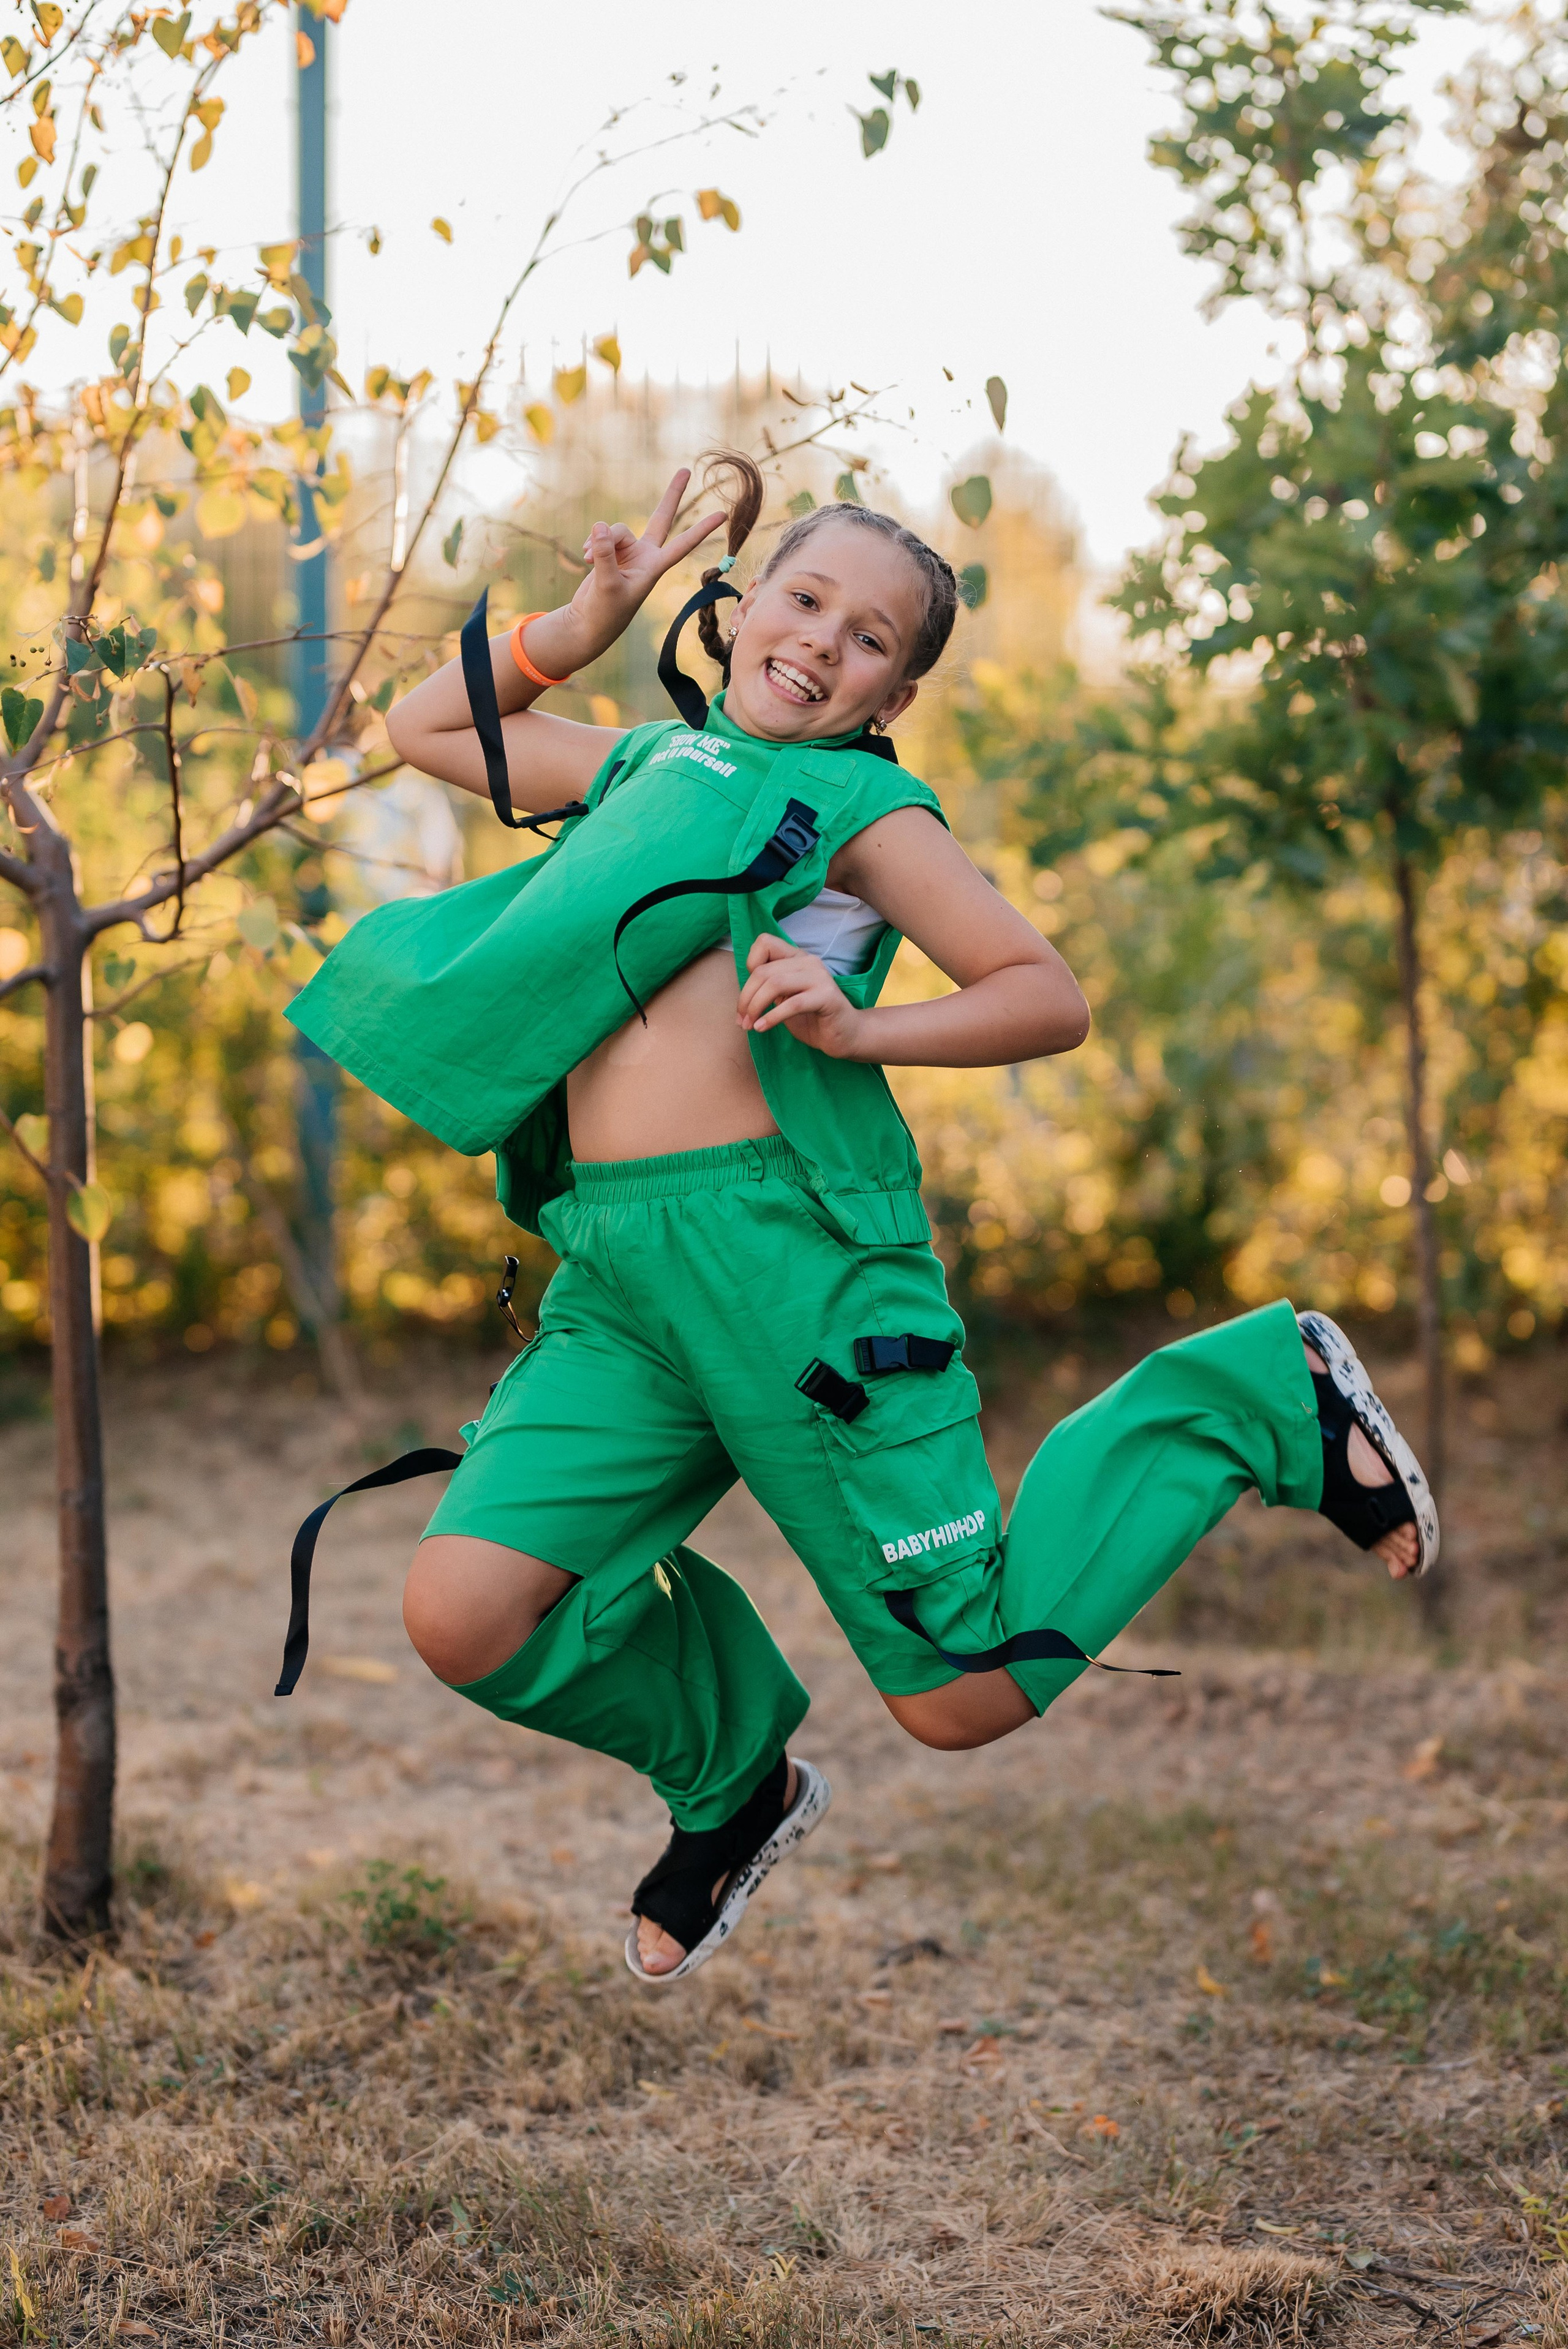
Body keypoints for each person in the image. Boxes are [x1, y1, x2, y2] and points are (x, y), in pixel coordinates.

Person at [283, 454, 1438, 1986]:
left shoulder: (859, 808)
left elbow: (1045, 994)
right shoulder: (642, 769)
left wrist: (854, 1027)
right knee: (464, 1609)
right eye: (805, 598)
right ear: (742, 603)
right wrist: (574, 619)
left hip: (795, 1274)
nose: (822, 641)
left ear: (891, 691)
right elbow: (423, 729)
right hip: (621, 1277)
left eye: (870, 637)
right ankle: (735, 1780)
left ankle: (1257, 1393)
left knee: (961, 1691)